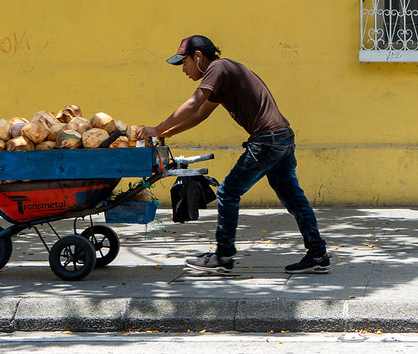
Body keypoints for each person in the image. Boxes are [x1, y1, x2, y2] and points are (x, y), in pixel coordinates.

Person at [136, 35, 329, 275]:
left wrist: (156, 128)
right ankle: (318, 254)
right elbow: (200, 114)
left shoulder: (217, 68)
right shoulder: (225, 72)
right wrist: (167, 132)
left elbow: (194, 103)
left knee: (228, 192)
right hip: (281, 137)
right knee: (294, 198)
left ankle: (224, 257)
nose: (183, 69)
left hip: (267, 142)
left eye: (183, 62)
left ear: (198, 57)